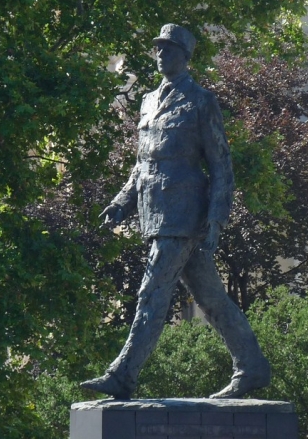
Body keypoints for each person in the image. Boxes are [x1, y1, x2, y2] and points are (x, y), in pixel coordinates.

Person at [81, 24, 270, 400]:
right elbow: (142, 164)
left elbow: (221, 165)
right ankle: (252, 366)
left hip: (185, 216)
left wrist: (217, 218)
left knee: (152, 292)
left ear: (185, 56)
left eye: (168, 49)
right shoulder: (148, 101)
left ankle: (123, 375)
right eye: (157, 49)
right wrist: (122, 202)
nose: (160, 55)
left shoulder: (201, 101)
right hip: (154, 212)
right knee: (211, 298)